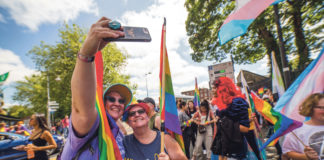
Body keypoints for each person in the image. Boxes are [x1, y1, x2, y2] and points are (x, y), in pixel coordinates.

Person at [59, 17, 133, 159]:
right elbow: (82, 110)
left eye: (121, 100)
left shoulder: (120, 133)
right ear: (102, 103)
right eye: (111, 99)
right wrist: (87, 55)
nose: (117, 103)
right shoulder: (92, 125)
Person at [123, 102, 187, 160]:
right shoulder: (124, 142)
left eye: (141, 111)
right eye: (132, 114)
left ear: (148, 117)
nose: (137, 115)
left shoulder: (165, 139)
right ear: (128, 122)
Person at [211, 77, 250, 160]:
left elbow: (245, 128)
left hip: (236, 151)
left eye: (214, 88)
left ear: (222, 88)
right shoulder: (220, 105)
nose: (212, 90)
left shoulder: (238, 102)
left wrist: (223, 123)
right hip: (224, 149)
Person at [282, 93, 324, 160]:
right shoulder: (298, 130)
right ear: (310, 108)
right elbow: (287, 151)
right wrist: (305, 157)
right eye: (322, 108)